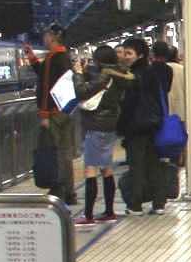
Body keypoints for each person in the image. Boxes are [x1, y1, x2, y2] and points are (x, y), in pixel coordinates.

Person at [24, 23, 76, 205]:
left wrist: (44, 115)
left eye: (46, 34)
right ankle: (70, 192)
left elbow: (46, 87)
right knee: (66, 153)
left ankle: (58, 188)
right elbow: (46, 76)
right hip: (64, 110)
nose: (44, 38)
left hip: (53, 113)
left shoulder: (53, 57)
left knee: (54, 152)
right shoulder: (64, 57)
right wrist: (32, 59)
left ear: (53, 37)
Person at [114, 37, 168, 213]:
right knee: (154, 164)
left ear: (140, 54)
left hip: (136, 126)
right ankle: (159, 203)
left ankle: (135, 204)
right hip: (153, 124)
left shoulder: (133, 75)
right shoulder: (151, 72)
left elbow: (129, 104)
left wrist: (121, 128)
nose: (126, 56)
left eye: (129, 53)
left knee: (136, 165)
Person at [74, 44, 126, 224]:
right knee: (106, 168)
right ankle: (109, 211)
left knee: (90, 170)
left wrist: (79, 74)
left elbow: (82, 92)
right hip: (110, 124)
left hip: (96, 125)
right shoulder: (118, 75)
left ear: (98, 61)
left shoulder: (105, 75)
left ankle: (88, 215)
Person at [150, 40, 183, 205]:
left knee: (157, 150)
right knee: (177, 140)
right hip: (176, 112)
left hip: (161, 113)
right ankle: (177, 159)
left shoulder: (151, 70)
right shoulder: (178, 69)